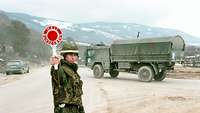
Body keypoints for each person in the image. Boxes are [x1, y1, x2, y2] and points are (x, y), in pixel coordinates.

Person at [50, 40, 85, 113]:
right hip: (64, 109)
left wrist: (81, 108)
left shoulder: (73, 70)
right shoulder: (61, 68)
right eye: (70, 55)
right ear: (65, 56)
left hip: (76, 108)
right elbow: (59, 79)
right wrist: (56, 66)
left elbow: (77, 92)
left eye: (75, 55)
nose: (73, 57)